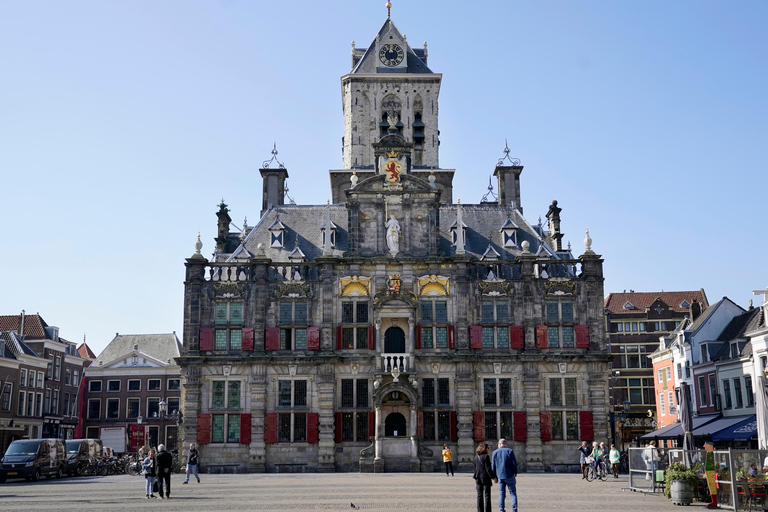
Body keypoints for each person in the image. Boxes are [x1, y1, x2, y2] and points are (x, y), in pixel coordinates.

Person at [491, 438, 517, 512]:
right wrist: (515, 473)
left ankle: (502, 509)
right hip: (509, 475)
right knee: (513, 493)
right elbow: (514, 463)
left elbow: (493, 466)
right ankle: (514, 509)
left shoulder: (495, 452)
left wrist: (494, 477)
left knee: (502, 493)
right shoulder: (510, 451)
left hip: (500, 476)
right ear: (505, 444)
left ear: (499, 444)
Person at [473, 443, 496, 512]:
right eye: (488, 448)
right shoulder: (486, 457)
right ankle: (488, 510)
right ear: (485, 449)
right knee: (487, 495)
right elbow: (488, 469)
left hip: (477, 477)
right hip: (485, 477)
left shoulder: (476, 457)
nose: (488, 449)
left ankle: (480, 510)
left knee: (479, 495)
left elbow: (475, 468)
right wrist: (493, 477)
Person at [704, 442, 718, 509]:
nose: (704, 446)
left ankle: (715, 501)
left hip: (711, 472)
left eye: (705, 445)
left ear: (710, 446)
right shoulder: (708, 454)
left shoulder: (711, 454)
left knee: (712, 486)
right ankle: (713, 501)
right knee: (711, 486)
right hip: (709, 472)